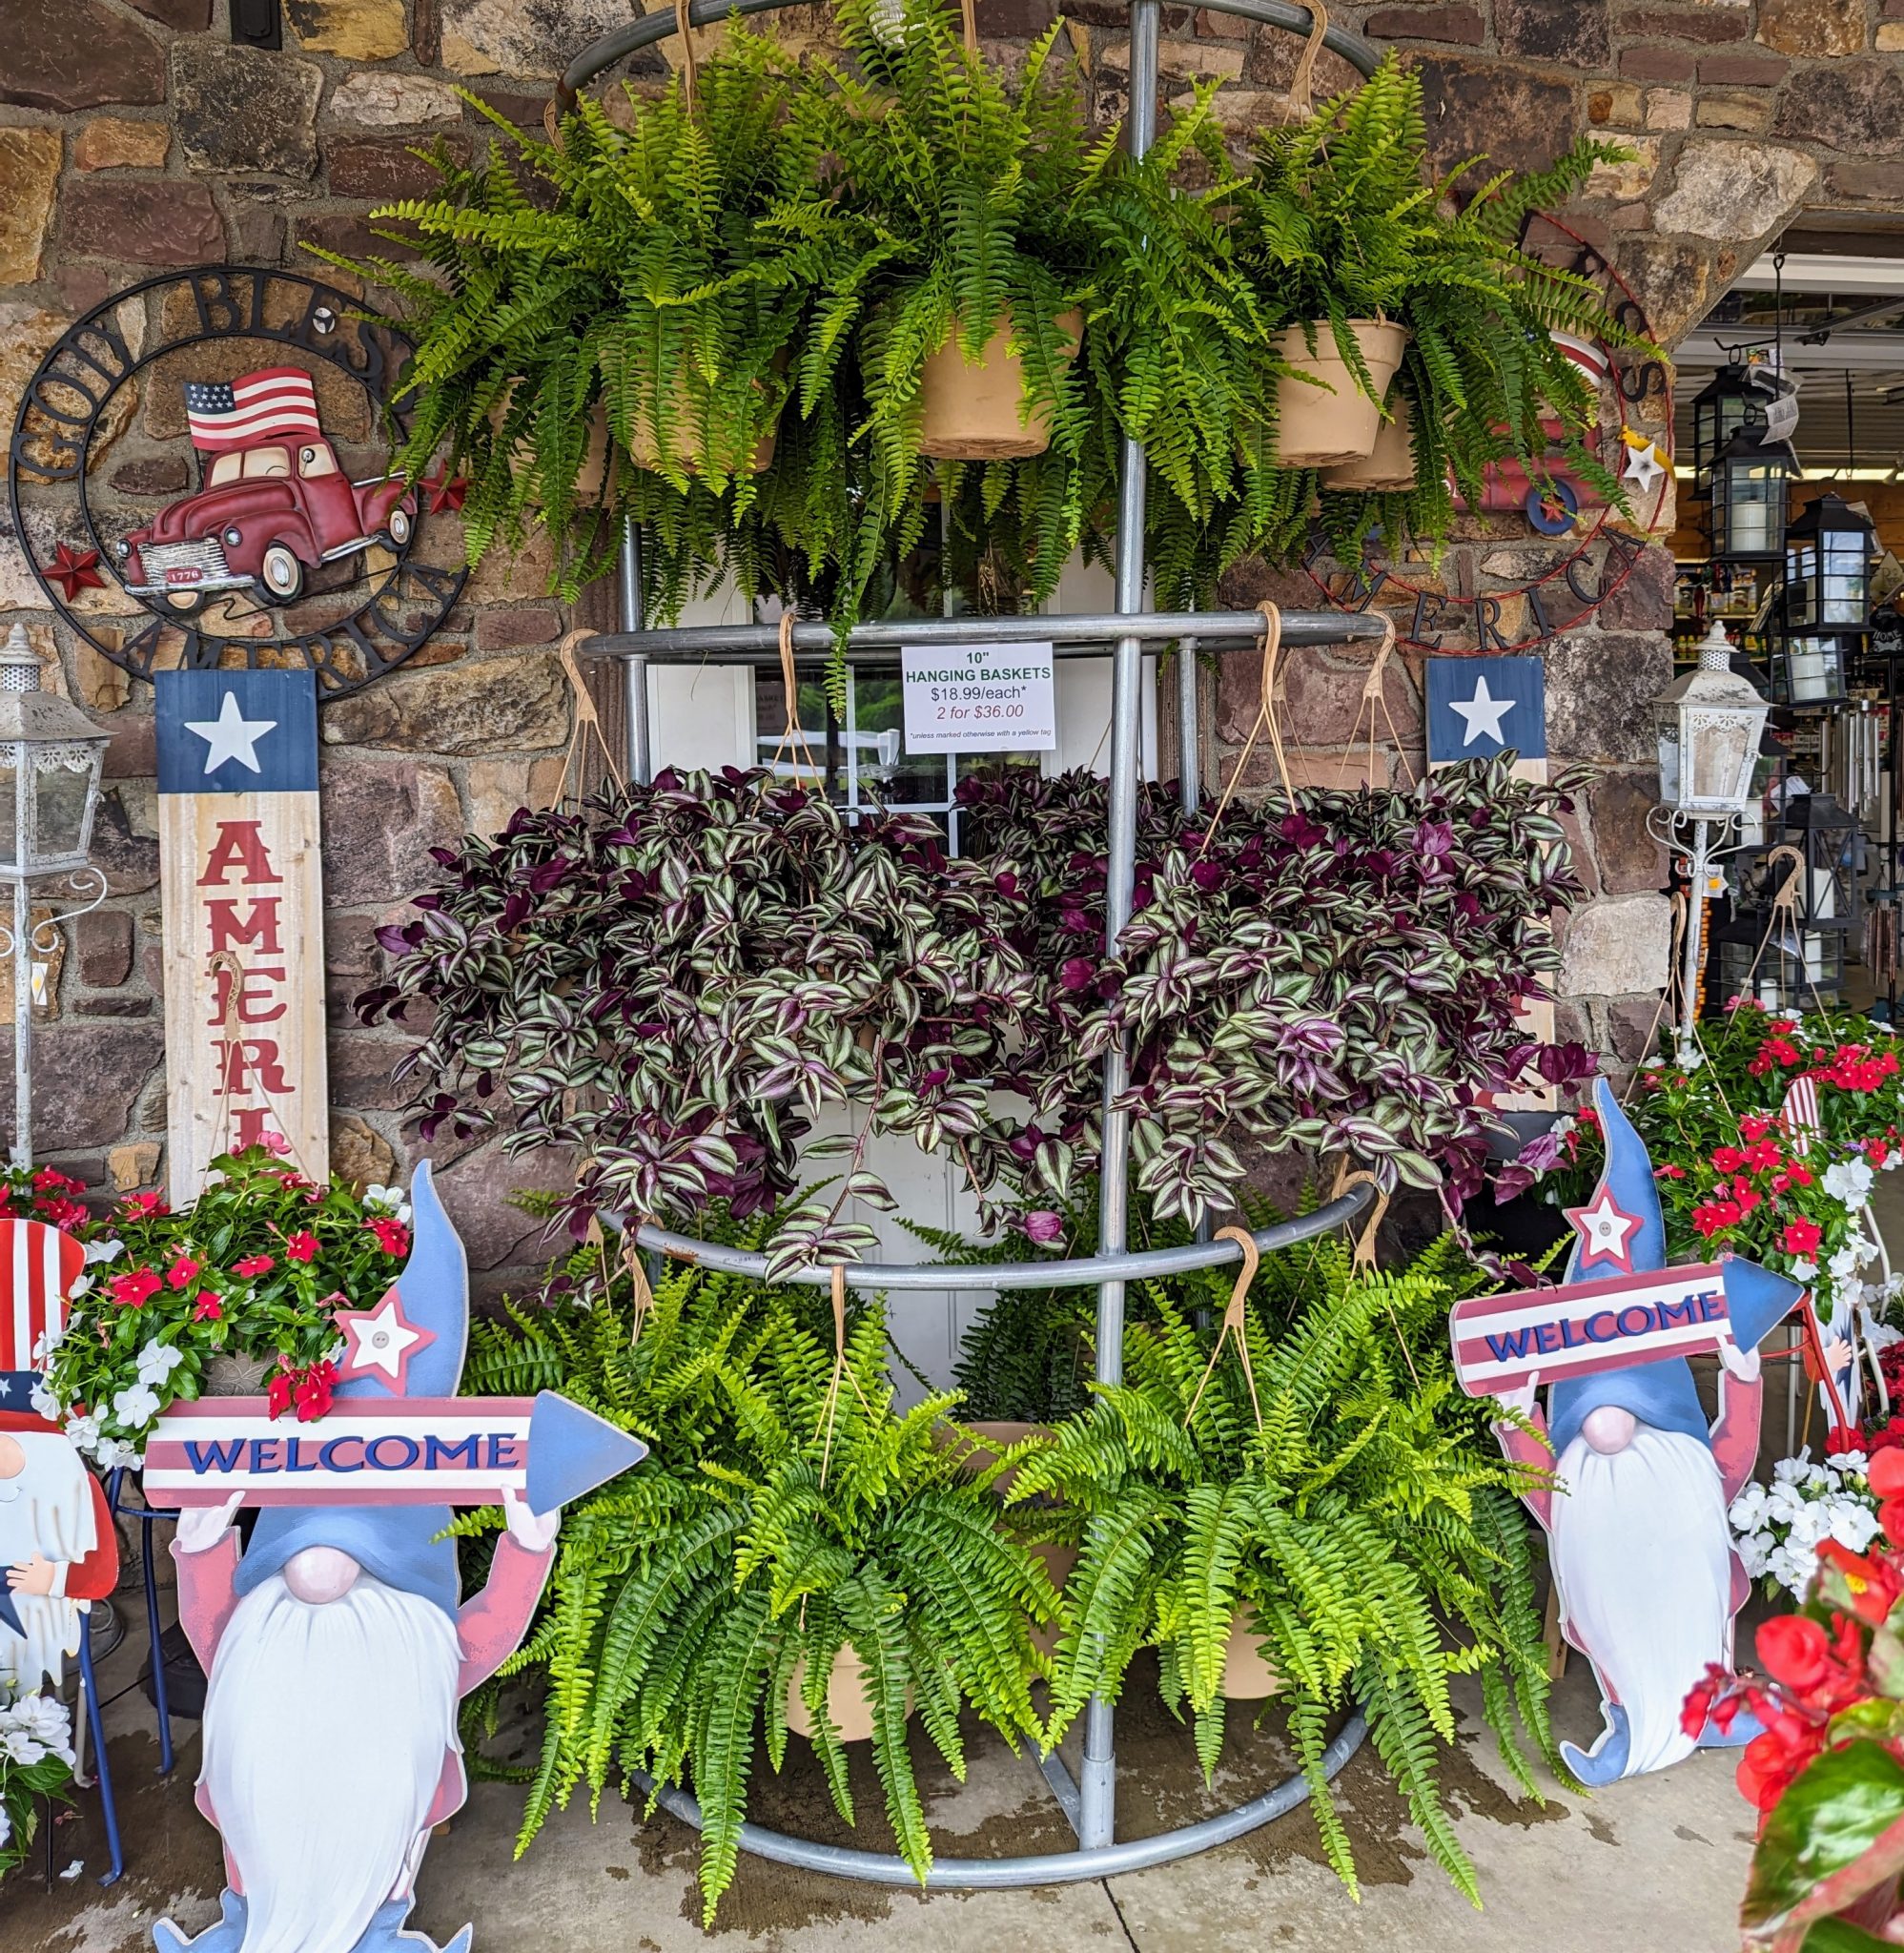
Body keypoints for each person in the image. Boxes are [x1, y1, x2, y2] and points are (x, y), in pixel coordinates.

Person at [1491, 1082, 1803, 1785]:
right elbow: (1541, 1476)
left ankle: (1704, 1710)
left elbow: (1731, 1448)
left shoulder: (1672, 1485)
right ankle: (1650, 1725)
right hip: (1629, 1605)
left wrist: (1741, 1373)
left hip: (1687, 1605)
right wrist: (1518, 1409)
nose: (1616, 1436)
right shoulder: (1620, 1493)